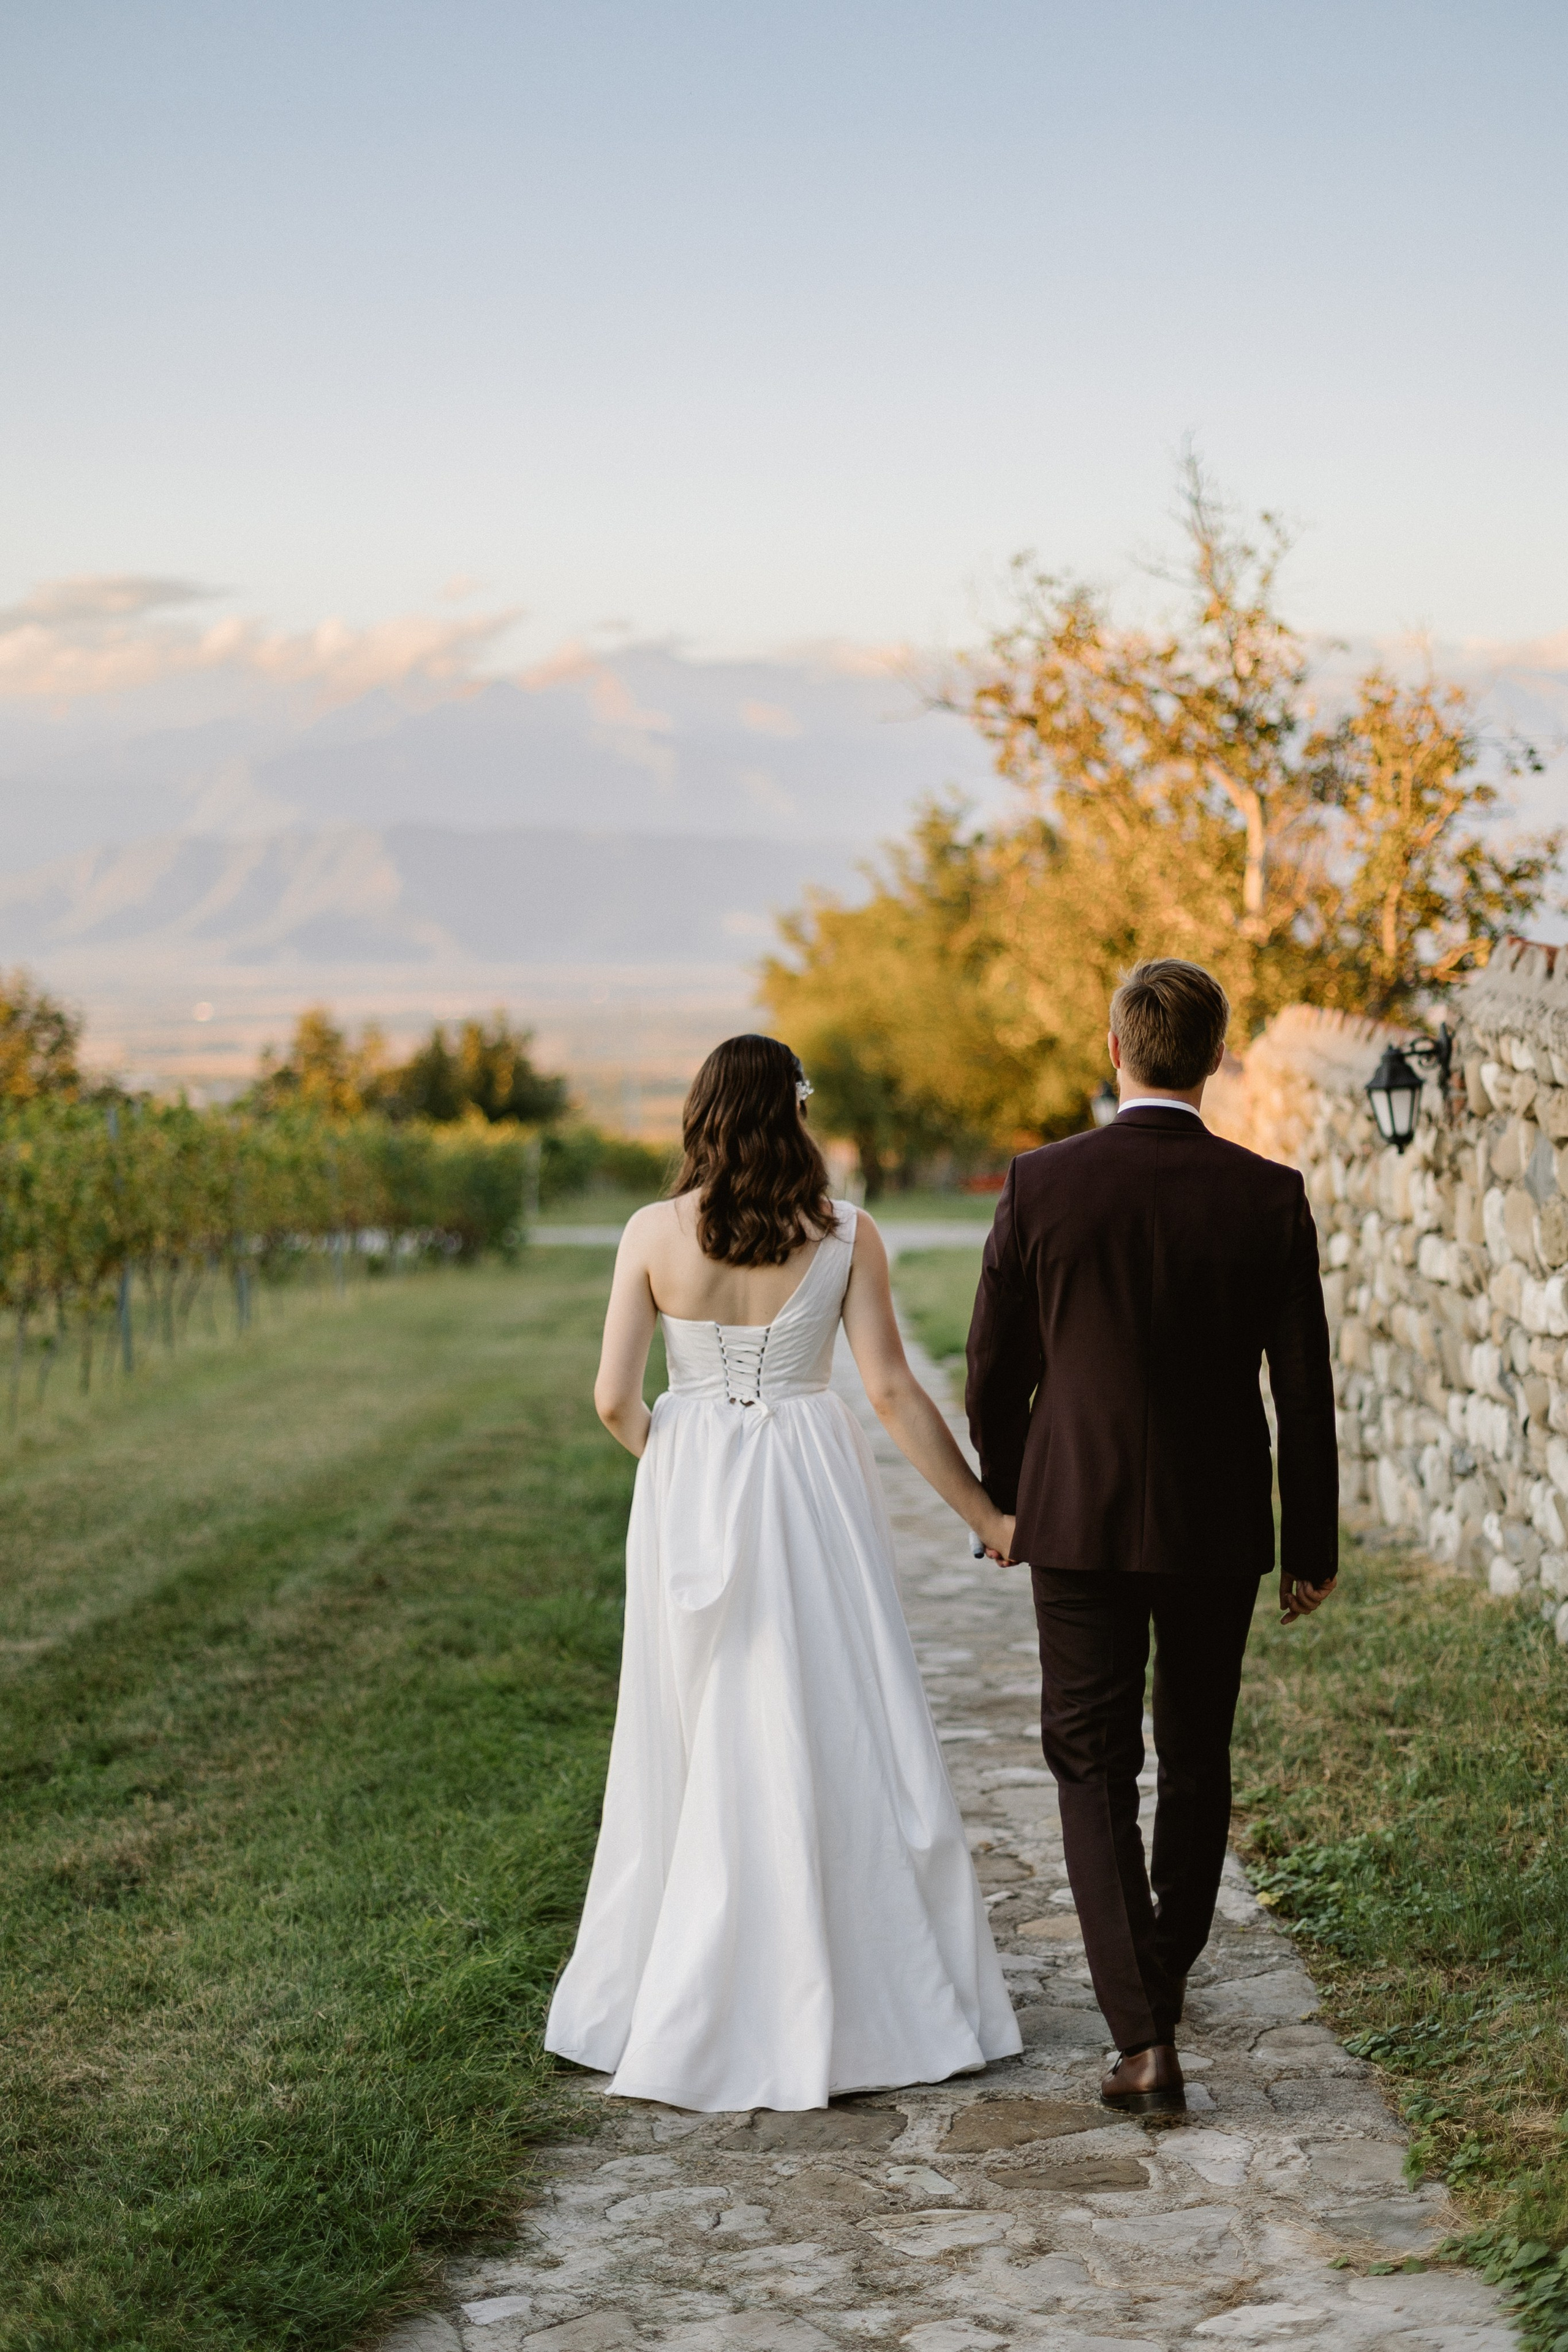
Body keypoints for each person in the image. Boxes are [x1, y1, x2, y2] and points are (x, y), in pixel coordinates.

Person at [546, 1033, 1022, 2113]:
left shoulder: (650, 1234)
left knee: (699, 1718)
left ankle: (696, 1975)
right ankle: (858, 1971)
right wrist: (988, 1513)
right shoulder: (847, 1233)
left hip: (692, 1486)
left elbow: (615, 1399)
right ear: (797, 1113)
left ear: (702, 1114)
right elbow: (894, 1394)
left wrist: (681, 1461)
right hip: (811, 1482)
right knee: (832, 1706)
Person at [966, 959, 1338, 2118]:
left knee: (1090, 1760)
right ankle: (1159, 1974)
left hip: (1073, 1516)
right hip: (1218, 1519)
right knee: (1196, 1746)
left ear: (1111, 1047)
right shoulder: (1267, 1195)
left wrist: (1009, 1498)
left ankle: (1144, 2033)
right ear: (1216, 1055)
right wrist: (1309, 1542)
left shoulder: (1040, 1185)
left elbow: (994, 1370)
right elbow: (1304, 1390)